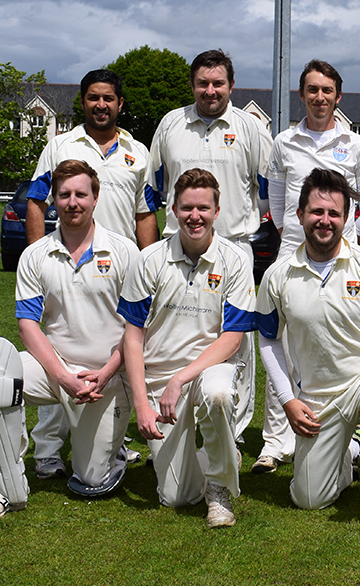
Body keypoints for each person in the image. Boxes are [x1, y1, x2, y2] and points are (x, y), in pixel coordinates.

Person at [256, 168, 360, 545]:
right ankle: (356, 448)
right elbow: (268, 339)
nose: (325, 220)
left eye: (334, 213)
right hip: (316, 399)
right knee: (308, 500)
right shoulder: (278, 275)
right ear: (299, 214)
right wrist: (287, 400)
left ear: (347, 217)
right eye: (316, 212)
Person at [0, 159, 138, 521]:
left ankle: (113, 453)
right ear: (54, 200)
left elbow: (137, 327)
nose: (72, 202)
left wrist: (106, 372)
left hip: (106, 377)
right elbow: (28, 325)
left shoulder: (124, 251)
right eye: (64, 195)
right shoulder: (35, 254)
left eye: (81, 194)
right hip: (55, 371)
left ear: (95, 198)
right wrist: (63, 377)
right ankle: (3, 487)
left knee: (92, 480)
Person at [25, 69, 157, 479]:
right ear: (82, 101)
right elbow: (36, 202)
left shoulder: (138, 152)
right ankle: (48, 449)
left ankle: (114, 440)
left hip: (120, 268)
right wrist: (39, 259)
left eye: (108, 98)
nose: (101, 105)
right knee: (61, 347)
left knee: (117, 349)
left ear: (120, 103)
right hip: (65, 261)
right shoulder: (60, 145)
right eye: (93, 97)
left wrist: (148, 269)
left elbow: (145, 213)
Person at [253, 59, 360, 475]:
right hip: (293, 254)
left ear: (337, 96)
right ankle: (276, 441)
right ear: (302, 95)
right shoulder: (284, 142)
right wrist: (294, 233)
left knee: (343, 346)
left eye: (327, 90)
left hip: (342, 258)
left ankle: (355, 438)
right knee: (283, 347)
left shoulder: (356, 145)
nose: (319, 97)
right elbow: (274, 203)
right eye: (312, 90)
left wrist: (346, 239)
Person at [150, 49, 273, 449]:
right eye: (202, 83)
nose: (210, 90)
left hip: (234, 247)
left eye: (218, 83)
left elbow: (268, 188)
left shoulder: (250, 127)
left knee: (237, 341)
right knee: (172, 334)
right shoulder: (170, 124)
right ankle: (171, 422)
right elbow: (154, 188)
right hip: (177, 247)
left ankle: (230, 432)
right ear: (192, 85)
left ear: (231, 85)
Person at [118, 169, 255, 528]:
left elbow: (232, 338)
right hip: (160, 380)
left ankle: (219, 488)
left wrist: (182, 378)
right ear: (174, 210)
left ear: (217, 211)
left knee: (217, 394)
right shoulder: (149, 259)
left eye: (203, 208)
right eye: (187, 208)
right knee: (176, 497)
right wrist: (142, 405)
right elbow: (133, 337)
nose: (195, 216)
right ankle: (220, 455)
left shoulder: (235, 260)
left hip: (210, 369)